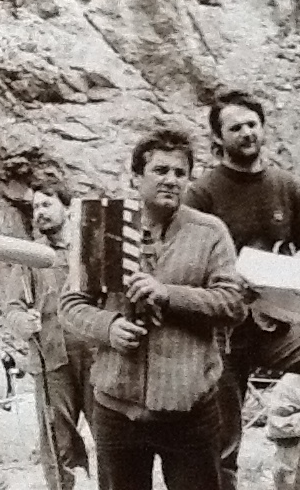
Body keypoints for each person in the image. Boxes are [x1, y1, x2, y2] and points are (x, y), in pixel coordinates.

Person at [183, 89, 300, 490]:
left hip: (278, 326)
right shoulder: (201, 193)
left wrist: (289, 275)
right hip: (223, 335)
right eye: (235, 128)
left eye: (252, 124)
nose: (247, 133)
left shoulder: (286, 187)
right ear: (218, 138)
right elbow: (187, 263)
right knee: (223, 440)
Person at [60, 127, 246, 490]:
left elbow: (233, 303)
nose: (171, 180)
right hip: (117, 407)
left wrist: (169, 294)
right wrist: (109, 327)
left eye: (180, 173)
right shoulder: (104, 225)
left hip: (190, 408)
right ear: (136, 177)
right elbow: (71, 304)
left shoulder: (209, 232)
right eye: (160, 170)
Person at [6, 180, 102, 490]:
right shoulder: (30, 257)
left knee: (109, 437)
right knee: (56, 441)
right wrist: (24, 322)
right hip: (52, 361)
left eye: (47, 205)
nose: (39, 213)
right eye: (35, 207)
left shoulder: (89, 249)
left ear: (68, 208)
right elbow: (12, 308)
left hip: (96, 359)